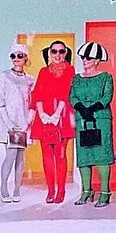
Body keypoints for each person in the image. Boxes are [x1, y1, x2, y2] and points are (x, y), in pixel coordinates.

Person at [69, 41, 116, 207]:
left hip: (100, 119)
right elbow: (72, 96)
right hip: (82, 120)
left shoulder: (106, 77)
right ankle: (86, 191)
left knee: (101, 155)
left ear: (97, 60)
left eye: (88, 57)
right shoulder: (76, 78)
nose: (85, 60)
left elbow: (107, 96)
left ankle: (105, 192)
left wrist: (93, 108)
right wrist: (81, 108)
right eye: (83, 57)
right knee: (84, 156)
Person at [30, 39, 76, 204]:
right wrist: (42, 113)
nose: (57, 55)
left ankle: (61, 190)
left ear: (65, 53)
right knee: (47, 155)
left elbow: (66, 92)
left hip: (62, 116)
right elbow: (37, 93)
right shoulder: (43, 71)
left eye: (61, 51)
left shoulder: (70, 70)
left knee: (61, 154)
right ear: (50, 53)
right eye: (54, 51)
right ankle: (50, 190)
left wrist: (56, 114)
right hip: (45, 116)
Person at [0, 40, 36, 203]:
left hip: (24, 123)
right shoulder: (5, 76)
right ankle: (4, 187)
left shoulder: (30, 79)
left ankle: (17, 189)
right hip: (8, 123)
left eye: (20, 56)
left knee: (20, 156)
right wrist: (10, 124)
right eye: (13, 56)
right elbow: (0, 100)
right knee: (10, 155)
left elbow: (33, 102)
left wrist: (27, 122)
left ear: (25, 58)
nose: (16, 59)